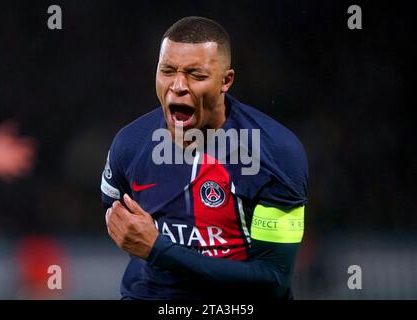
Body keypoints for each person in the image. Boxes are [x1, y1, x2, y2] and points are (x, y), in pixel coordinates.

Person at [101, 16, 308, 300]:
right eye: (168, 71)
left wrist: (159, 250)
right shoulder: (130, 145)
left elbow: (273, 281)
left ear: (226, 80)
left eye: (196, 75)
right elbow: (118, 219)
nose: (178, 86)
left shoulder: (276, 154)